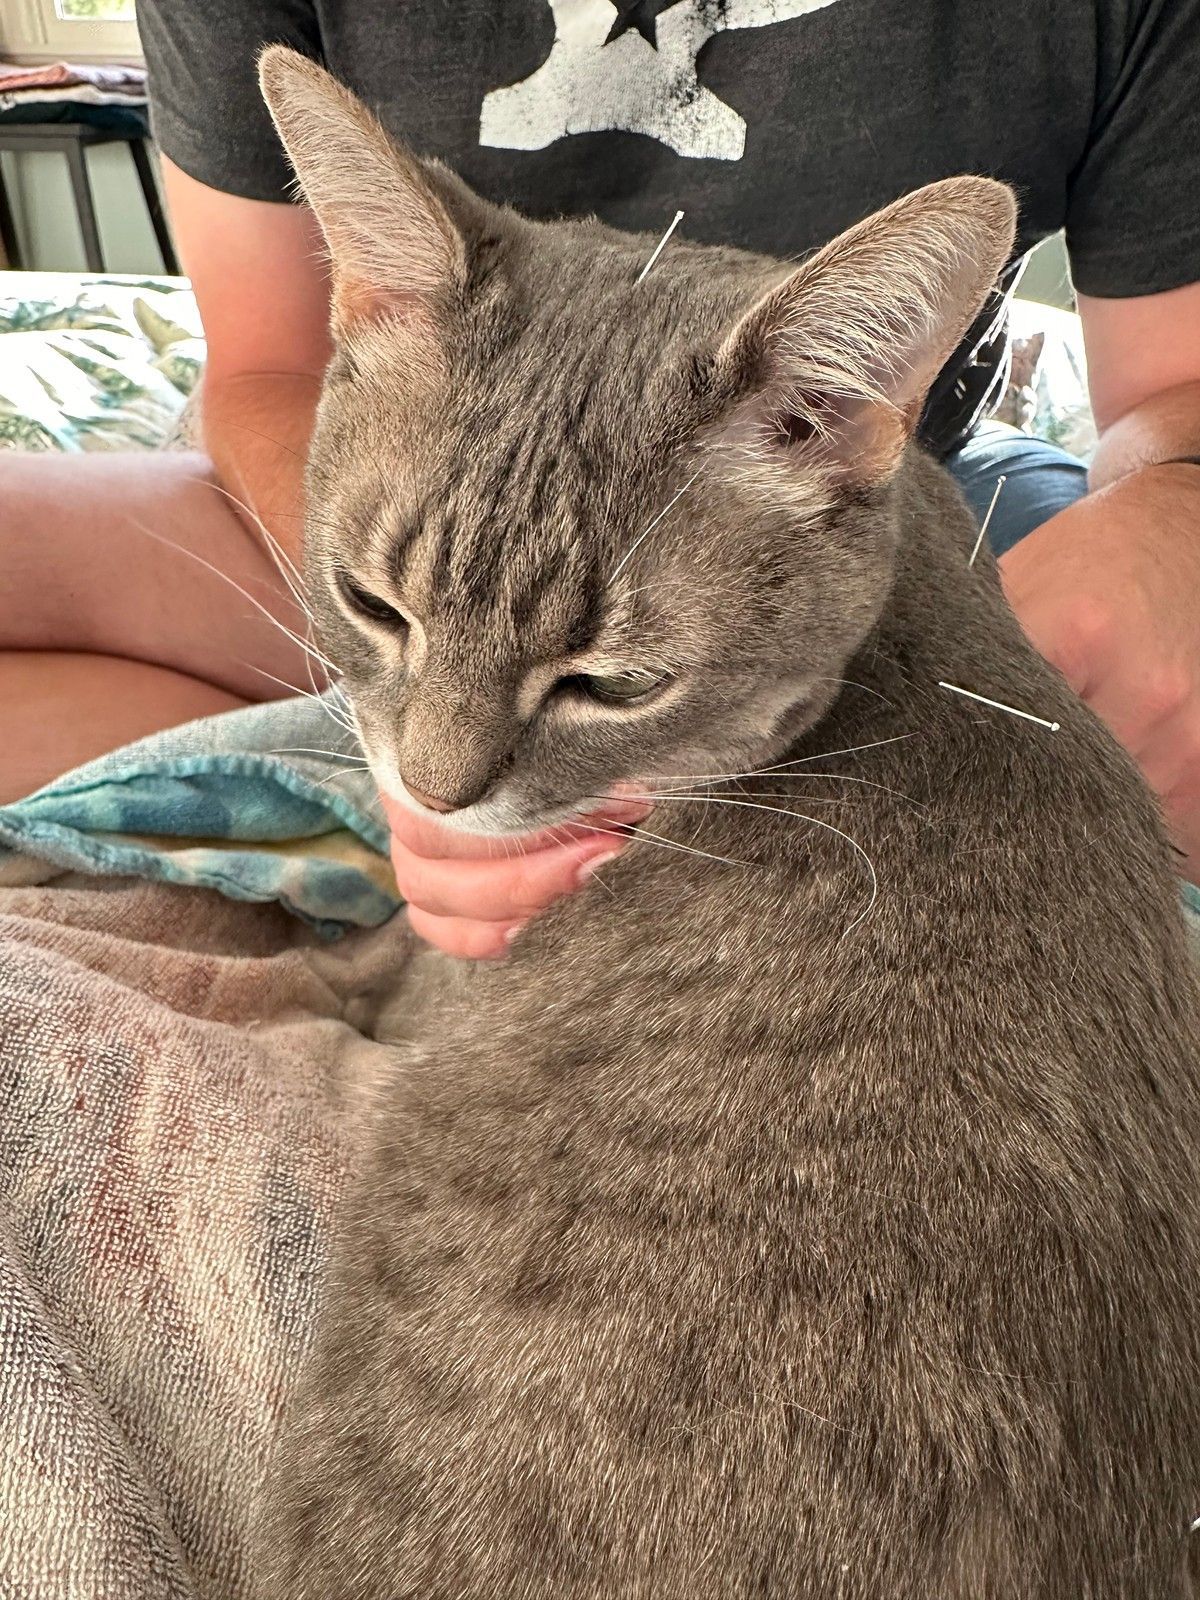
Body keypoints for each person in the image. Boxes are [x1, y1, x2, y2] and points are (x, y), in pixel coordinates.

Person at [3, 0, 1199, 959]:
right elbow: (272, 362)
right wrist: (400, 614)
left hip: (821, 510)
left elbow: (1173, 394)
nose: (439, 774)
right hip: (429, 495)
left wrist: (1174, 499)